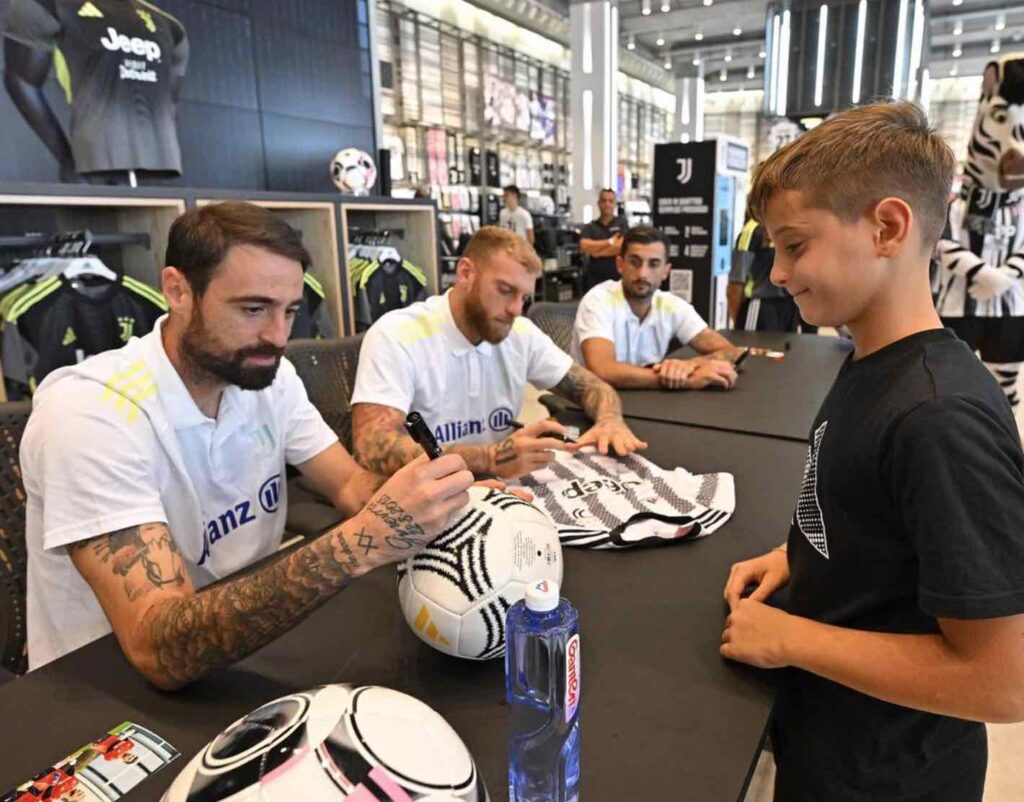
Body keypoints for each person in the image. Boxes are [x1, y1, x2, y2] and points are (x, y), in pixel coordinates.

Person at [20, 202, 476, 688]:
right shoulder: (90, 413)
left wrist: (444, 503)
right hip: (109, 686)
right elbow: (158, 648)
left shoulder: (268, 378)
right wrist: (361, 542)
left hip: (250, 644)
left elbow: (348, 484)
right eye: (253, 309)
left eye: (290, 311)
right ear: (177, 290)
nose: (277, 336)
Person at [721, 102, 1024, 801]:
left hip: (889, 777)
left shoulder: (940, 418)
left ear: (887, 227)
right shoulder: (870, 361)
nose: (778, 273)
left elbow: (1001, 680)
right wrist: (795, 557)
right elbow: (874, 517)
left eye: (796, 246)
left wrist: (789, 639)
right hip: (833, 743)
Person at [350, 226, 646, 480]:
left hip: (499, 489)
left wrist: (610, 420)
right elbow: (372, 446)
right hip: (425, 499)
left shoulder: (520, 333)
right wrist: (488, 458)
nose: (516, 309)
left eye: (524, 297)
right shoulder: (397, 334)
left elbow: (591, 386)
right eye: (505, 290)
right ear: (466, 273)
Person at [573, 225, 741, 391]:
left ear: (666, 271)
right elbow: (603, 370)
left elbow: (733, 352)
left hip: (644, 399)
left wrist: (689, 366)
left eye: (653, 264)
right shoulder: (599, 300)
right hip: (591, 399)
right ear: (620, 264)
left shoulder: (671, 305)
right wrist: (685, 379)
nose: (642, 274)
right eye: (634, 262)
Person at [729, 215, 816, 333]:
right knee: (752, 345)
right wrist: (739, 323)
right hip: (761, 307)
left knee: (787, 346)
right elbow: (735, 286)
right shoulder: (752, 230)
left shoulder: (790, 226)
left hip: (790, 306)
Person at [579, 188, 630, 289]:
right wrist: (610, 242)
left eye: (610, 201)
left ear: (615, 204)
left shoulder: (621, 223)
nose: (607, 204)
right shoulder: (591, 226)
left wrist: (596, 252)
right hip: (595, 277)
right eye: (604, 201)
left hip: (617, 276)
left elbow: (621, 246)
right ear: (598, 203)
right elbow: (584, 246)